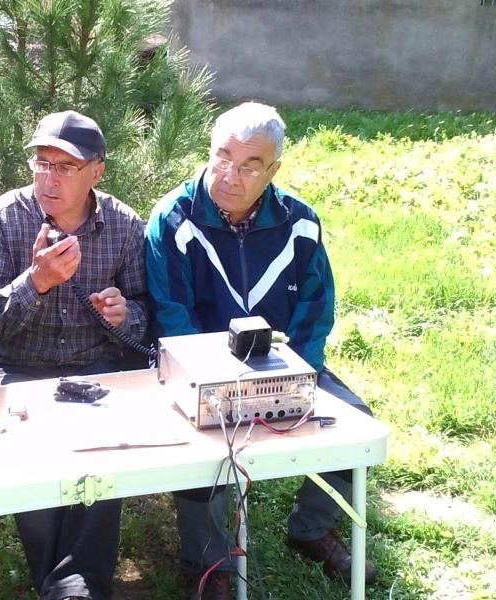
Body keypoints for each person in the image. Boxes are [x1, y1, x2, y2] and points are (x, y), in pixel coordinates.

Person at [144, 102, 378, 599]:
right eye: (222, 158)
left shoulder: (300, 222)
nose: (230, 176)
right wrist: (213, 386)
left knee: (355, 421)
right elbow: (173, 314)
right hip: (198, 370)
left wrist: (301, 378)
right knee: (200, 444)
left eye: (250, 166)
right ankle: (210, 564)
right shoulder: (173, 218)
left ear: (273, 170)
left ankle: (310, 529)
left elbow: (316, 307)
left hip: (280, 363)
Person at [0, 110, 148, 600]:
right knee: (26, 433)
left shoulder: (123, 225)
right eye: (42, 164)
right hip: (15, 366)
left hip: (95, 364)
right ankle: (70, 587)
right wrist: (36, 283)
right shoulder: (1, 219)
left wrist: (124, 315)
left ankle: (76, 585)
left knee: (107, 439)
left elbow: (145, 310)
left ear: (97, 171)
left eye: (66, 167)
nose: (50, 178)